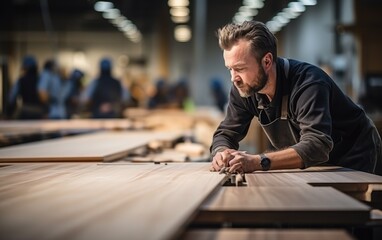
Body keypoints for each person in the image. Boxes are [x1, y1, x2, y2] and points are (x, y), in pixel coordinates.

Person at [210, 21, 382, 176]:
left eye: (239, 68)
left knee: (345, 207)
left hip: (353, 152)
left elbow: (316, 145)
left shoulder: (309, 83)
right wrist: (221, 152)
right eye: (229, 69)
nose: (234, 78)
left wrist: (257, 161)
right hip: (315, 161)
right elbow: (226, 133)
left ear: (267, 62)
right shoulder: (245, 88)